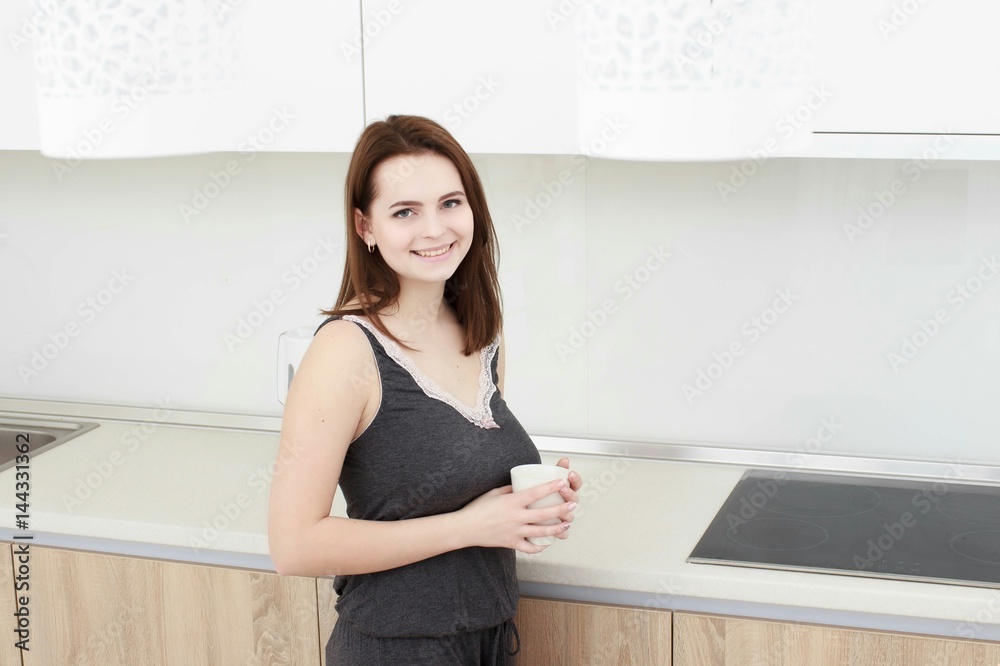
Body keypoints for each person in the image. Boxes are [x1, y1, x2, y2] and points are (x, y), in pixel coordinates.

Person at [267, 114, 583, 665]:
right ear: (365, 227)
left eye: (450, 203)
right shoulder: (346, 349)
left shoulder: (480, 333)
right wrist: (469, 526)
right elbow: (294, 545)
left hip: (490, 637)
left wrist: (526, 504)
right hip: (397, 649)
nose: (435, 229)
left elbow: (460, 484)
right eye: (405, 212)